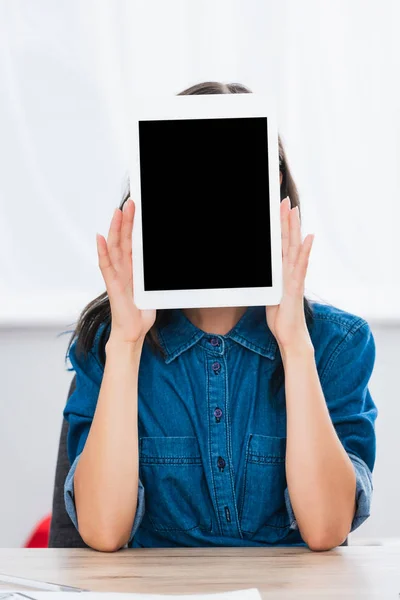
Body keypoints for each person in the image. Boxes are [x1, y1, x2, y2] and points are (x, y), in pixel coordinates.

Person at [63, 81, 377, 552]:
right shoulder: (112, 342)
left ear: (276, 205)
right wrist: (126, 345)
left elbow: (327, 529)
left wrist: (294, 344)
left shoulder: (336, 344)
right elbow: (104, 533)